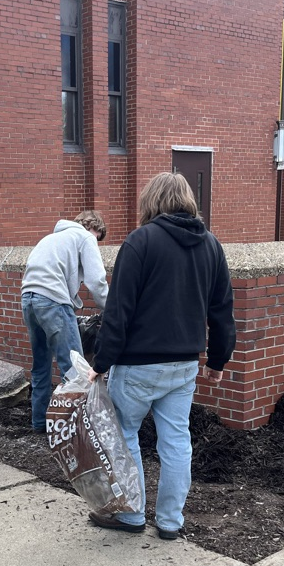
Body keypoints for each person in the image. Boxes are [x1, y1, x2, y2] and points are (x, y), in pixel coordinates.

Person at [88, 172, 235, 539]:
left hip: (137, 365)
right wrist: (218, 361)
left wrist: (101, 363)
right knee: (176, 441)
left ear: (150, 202)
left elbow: (118, 311)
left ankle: (132, 515)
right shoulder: (212, 246)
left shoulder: (140, 242)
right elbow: (222, 311)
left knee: (125, 436)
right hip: (184, 365)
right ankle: (170, 522)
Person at [21, 211, 109, 432]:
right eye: (98, 238)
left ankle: (40, 424)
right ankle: (73, 430)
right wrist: (112, 309)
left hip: (28, 300)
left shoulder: (50, 238)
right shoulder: (85, 237)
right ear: (93, 229)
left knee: (40, 367)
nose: (96, 243)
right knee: (74, 369)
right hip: (52, 301)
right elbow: (96, 282)